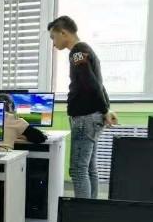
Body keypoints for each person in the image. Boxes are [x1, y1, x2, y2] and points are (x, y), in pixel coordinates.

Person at [47, 15, 118, 199]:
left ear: (64, 33)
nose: (53, 43)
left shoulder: (77, 52)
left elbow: (90, 83)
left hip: (85, 118)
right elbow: (98, 84)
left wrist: (105, 110)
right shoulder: (87, 50)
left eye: (54, 37)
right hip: (93, 117)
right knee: (89, 168)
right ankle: (91, 211)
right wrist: (105, 109)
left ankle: (81, 214)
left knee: (78, 170)